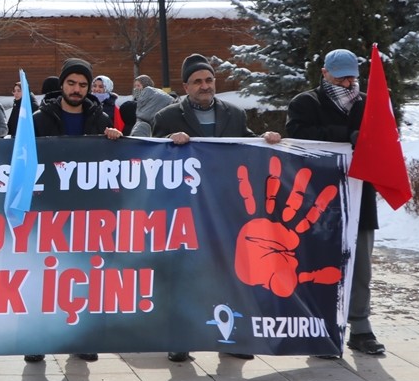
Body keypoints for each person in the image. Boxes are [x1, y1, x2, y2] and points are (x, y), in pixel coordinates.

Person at [153, 54, 281, 363]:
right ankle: (181, 337)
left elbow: (246, 146)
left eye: (209, 80)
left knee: (229, 272)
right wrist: (170, 141)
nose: (204, 86)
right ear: (186, 86)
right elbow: (150, 156)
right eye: (197, 81)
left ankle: (232, 337)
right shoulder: (168, 116)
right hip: (185, 209)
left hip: (226, 207)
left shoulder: (234, 114)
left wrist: (266, 140)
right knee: (185, 273)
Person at [24, 58, 124, 364]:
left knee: (83, 273)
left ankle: (81, 337)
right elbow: (20, 154)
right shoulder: (39, 119)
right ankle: (36, 338)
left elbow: (114, 162)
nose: (77, 89)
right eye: (72, 83)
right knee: (43, 273)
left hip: (87, 210)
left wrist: (115, 141)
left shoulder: (100, 118)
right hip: (47, 209)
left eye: (83, 84)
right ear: (62, 85)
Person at [285, 48, 384, 357]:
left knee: (360, 267)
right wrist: (345, 135)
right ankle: (322, 329)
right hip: (319, 200)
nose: (347, 83)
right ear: (324, 73)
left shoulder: (367, 103)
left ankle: (360, 327)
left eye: (351, 76)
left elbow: (382, 137)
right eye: (340, 76)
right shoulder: (306, 103)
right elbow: (298, 134)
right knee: (320, 264)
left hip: (359, 195)